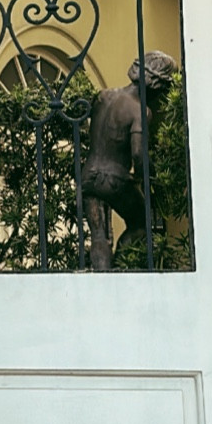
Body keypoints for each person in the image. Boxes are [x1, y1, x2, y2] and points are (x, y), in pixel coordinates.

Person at [80, 50, 177, 270]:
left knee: (98, 236)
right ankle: (121, 269)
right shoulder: (139, 111)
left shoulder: (103, 96)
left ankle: (101, 281)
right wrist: (149, 177)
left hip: (88, 176)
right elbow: (137, 154)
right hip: (114, 180)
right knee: (141, 223)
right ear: (156, 83)